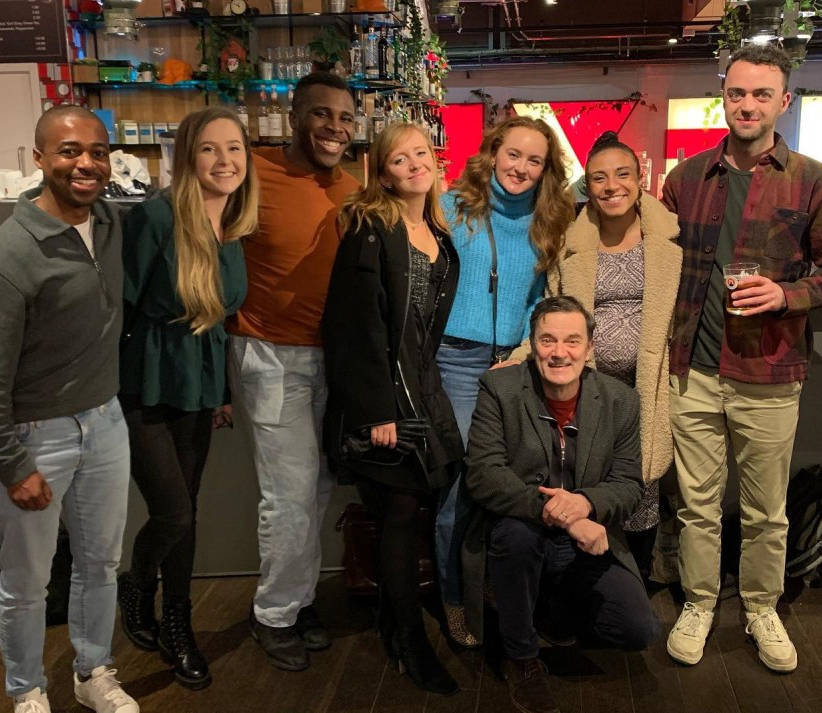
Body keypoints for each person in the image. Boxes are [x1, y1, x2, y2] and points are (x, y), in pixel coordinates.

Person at [661, 44, 822, 673]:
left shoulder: (812, 179)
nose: (747, 104)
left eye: (760, 94)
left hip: (769, 371)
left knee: (764, 511)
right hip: (691, 368)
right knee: (695, 504)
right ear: (723, 97)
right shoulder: (685, 179)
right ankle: (698, 602)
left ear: (783, 101)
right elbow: (655, 262)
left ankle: (759, 607)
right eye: (737, 92)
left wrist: (786, 293)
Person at [0, 106, 139, 713]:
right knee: (27, 579)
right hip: (35, 437)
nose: (85, 163)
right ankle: (26, 689)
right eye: (68, 151)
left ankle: (93, 672)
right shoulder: (4, 259)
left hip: (106, 423)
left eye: (96, 150)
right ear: (38, 159)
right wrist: (13, 466)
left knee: (100, 565)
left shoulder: (109, 223)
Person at [116, 107, 258, 690]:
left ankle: (179, 623)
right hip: (145, 381)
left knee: (187, 510)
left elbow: (220, 322)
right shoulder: (152, 219)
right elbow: (117, 306)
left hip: (199, 385)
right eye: (209, 149)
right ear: (186, 157)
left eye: (234, 149)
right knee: (173, 511)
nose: (224, 161)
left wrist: (222, 391)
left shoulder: (236, 228)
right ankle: (135, 584)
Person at [461, 296, 659, 713]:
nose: (559, 352)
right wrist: (567, 517)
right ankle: (521, 657)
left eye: (572, 341)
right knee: (514, 538)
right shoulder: (499, 388)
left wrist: (586, 502)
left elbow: (627, 484)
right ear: (533, 345)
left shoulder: (621, 400)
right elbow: (483, 474)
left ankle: (549, 604)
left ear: (589, 349)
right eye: (547, 340)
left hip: (584, 538)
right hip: (521, 526)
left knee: (638, 630)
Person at [225, 72, 360, 672]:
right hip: (270, 353)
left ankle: (298, 602)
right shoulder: (250, 171)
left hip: (333, 355)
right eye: (323, 115)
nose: (335, 128)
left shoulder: (351, 188)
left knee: (318, 486)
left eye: (346, 118)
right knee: (289, 496)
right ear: (295, 116)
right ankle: (274, 614)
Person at [322, 123, 463, 696]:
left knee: (415, 507)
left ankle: (394, 619)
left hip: (421, 387)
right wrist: (376, 410)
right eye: (399, 159)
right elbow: (352, 328)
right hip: (382, 398)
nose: (413, 165)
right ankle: (409, 639)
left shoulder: (436, 230)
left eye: (421, 154)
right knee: (401, 510)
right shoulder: (370, 230)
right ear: (381, 173)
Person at [434, 116, 574, 645]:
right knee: (466, 486)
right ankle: (455, 598)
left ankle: (492, 584)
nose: (520, 167)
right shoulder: (451, 208)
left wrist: (521, 353)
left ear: (546, 170)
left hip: (516, 365)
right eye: (512, 154)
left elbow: (540, 298)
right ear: (493, 153)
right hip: (457, 363)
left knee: (516, 482)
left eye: (533, 160)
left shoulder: (547, 223)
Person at [549, 131, 681, 574]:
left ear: (640, 177)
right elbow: (552, 307)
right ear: (588, 185)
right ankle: (591, 579)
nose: (611, 186)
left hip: (650, 386)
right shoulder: (569, 246)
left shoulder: (670, 245)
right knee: (588, 478)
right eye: (599, 178)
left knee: (642, 483)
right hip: (588, 390)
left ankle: (635, 579)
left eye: (622, 174)